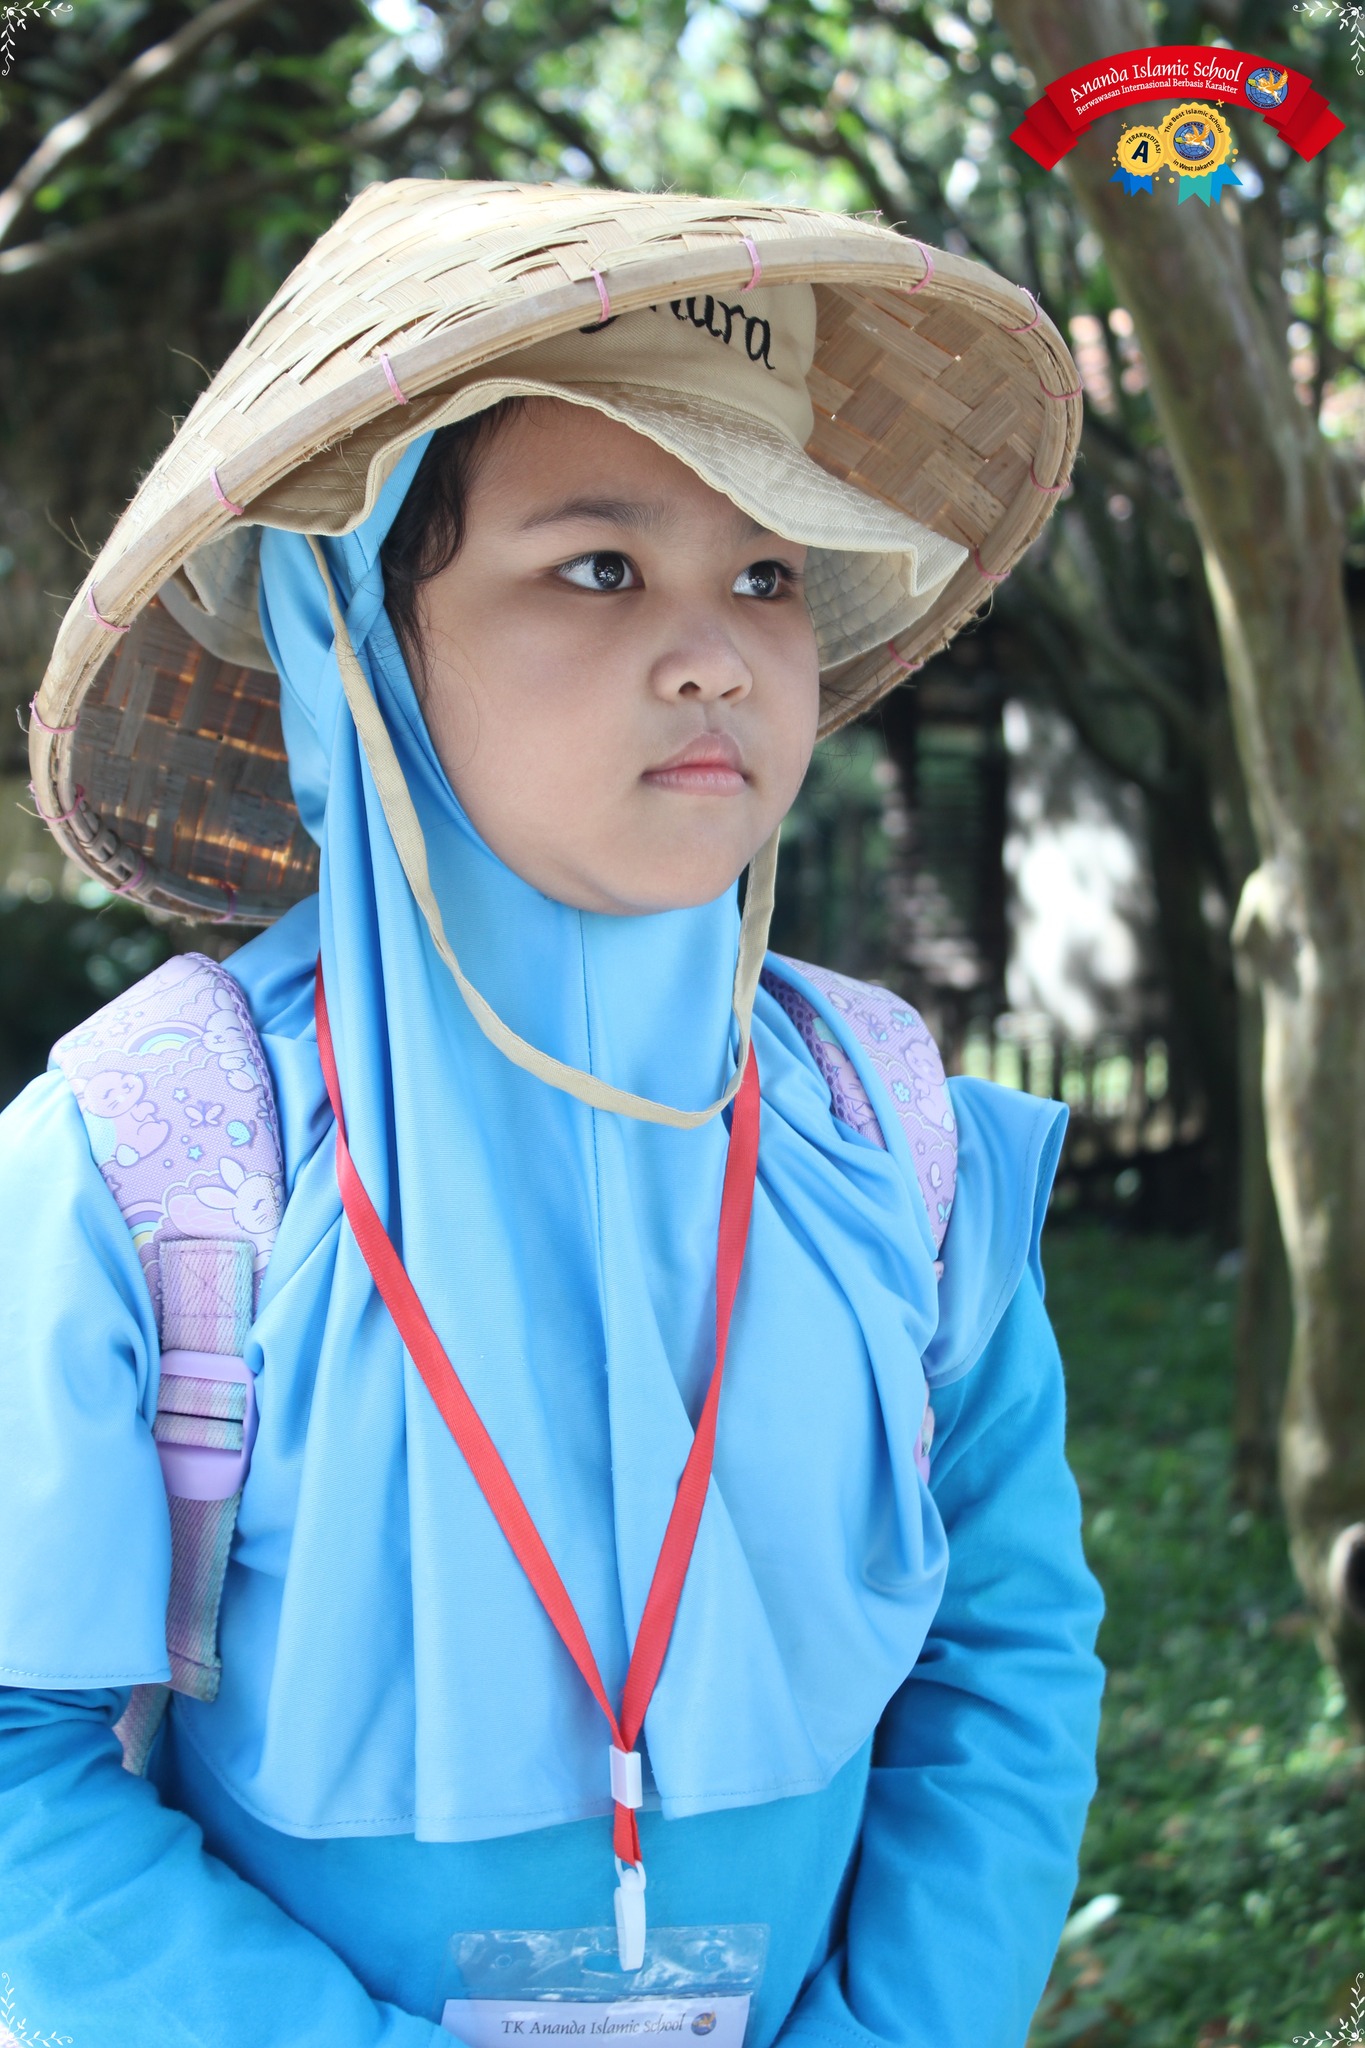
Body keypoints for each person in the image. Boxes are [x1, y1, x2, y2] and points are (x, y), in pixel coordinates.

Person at [0, 182, 1104, 2048]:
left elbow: (1006, 1660)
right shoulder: (154, 1156)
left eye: (766, 575)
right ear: (355, 630)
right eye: (599, 568)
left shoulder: (890, 1135)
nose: (715, 652)